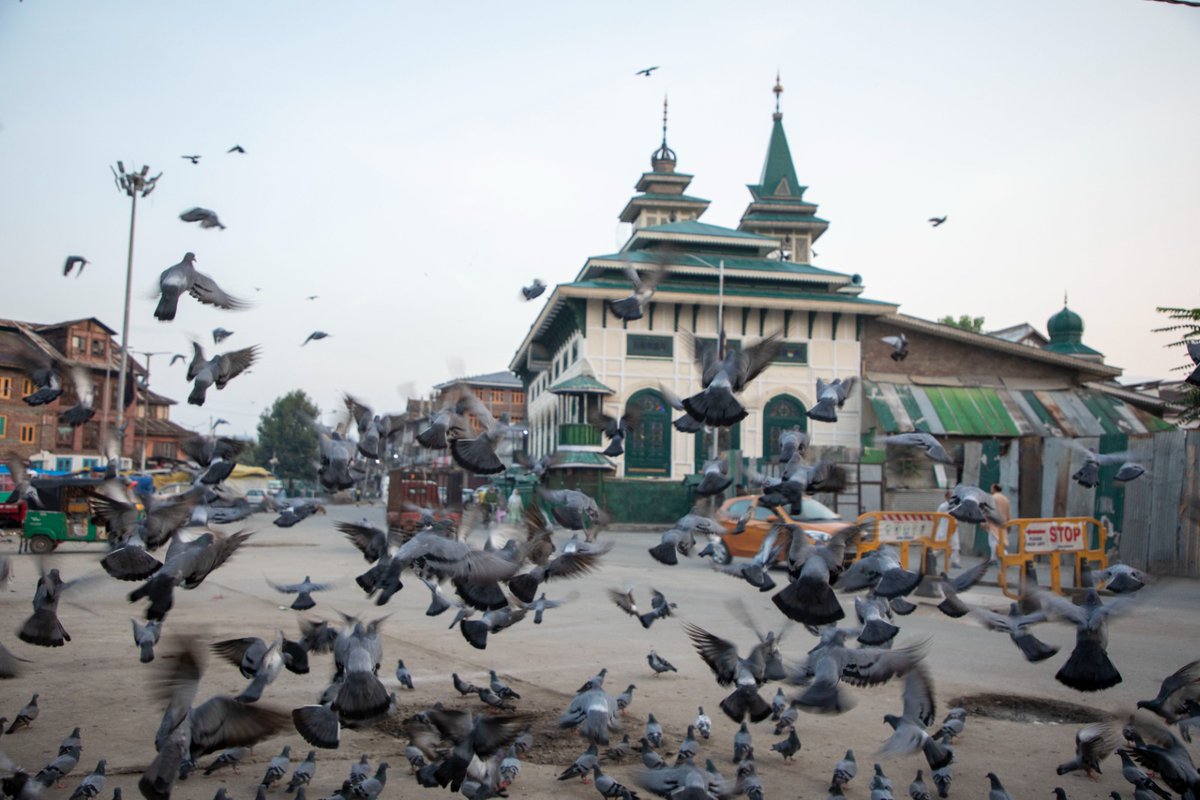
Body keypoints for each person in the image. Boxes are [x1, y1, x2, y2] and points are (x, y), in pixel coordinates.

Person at [986, 483, 1012, 560]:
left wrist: (985, 521)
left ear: (994, 489)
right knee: (1000, 541)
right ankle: (993, 558)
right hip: (1003, 523)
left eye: (991, 488)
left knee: (993, 542)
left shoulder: (992, 498)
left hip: (993, 523)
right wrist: (1009, 524)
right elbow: (1008, 513)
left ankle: (1004, 556)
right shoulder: (1005, 499)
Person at [934, 489, 959, 568]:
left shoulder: (957, 506)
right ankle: (932, 558)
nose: (952, 498)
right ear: (946, 497)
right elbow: (937, 516)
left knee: (955, 545)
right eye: (950, 496)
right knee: (941, 547)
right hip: (944, 528)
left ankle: (955, 562)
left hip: (953, 528)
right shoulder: (943, 506)